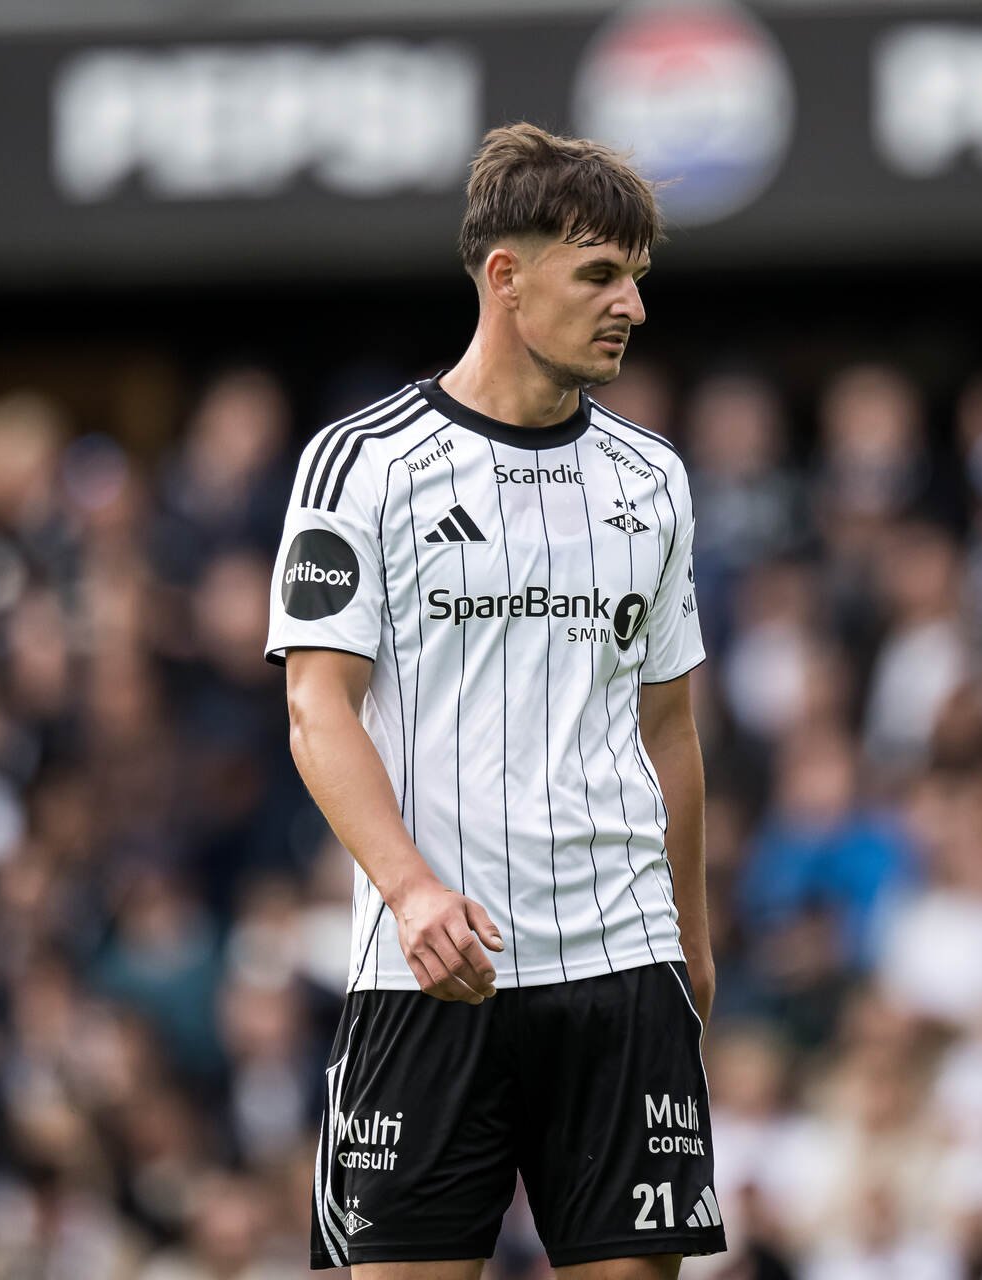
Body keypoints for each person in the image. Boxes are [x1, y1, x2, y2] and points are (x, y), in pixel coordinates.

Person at [265, 121, 723, 1278]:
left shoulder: (652, 479)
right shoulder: (360, 465)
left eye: (637, 277)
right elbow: (319, 712)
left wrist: (692, 943)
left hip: (623, 966)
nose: (632, 304)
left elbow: (669, 728)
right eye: (601, 275)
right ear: (506, 278)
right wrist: (412, 890)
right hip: (428, 974)